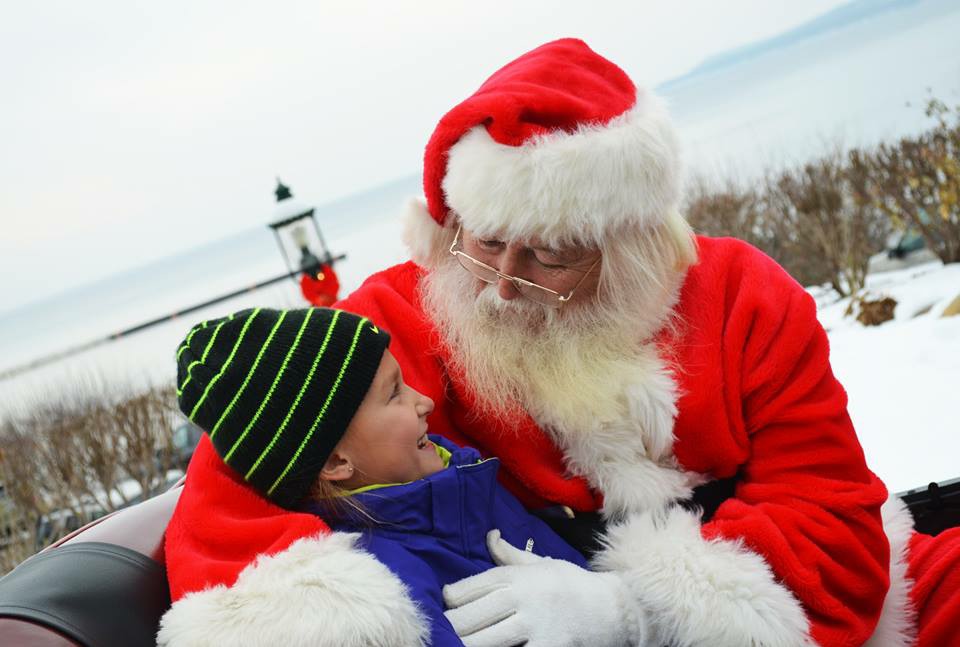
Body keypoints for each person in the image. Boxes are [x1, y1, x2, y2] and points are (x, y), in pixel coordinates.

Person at [327, 38, 958, 646]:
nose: (503, 289)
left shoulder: (746, 295)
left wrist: (637, 612)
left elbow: (831, 530)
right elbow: (239, 481)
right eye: (487, 242)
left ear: (629, 250)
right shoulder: (403, 309)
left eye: (550, 256)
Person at [158, 306, 588, 647]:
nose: (423, 402)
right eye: (394, 393)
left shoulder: (465, 483)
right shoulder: (389, 587)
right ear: (334, 463)